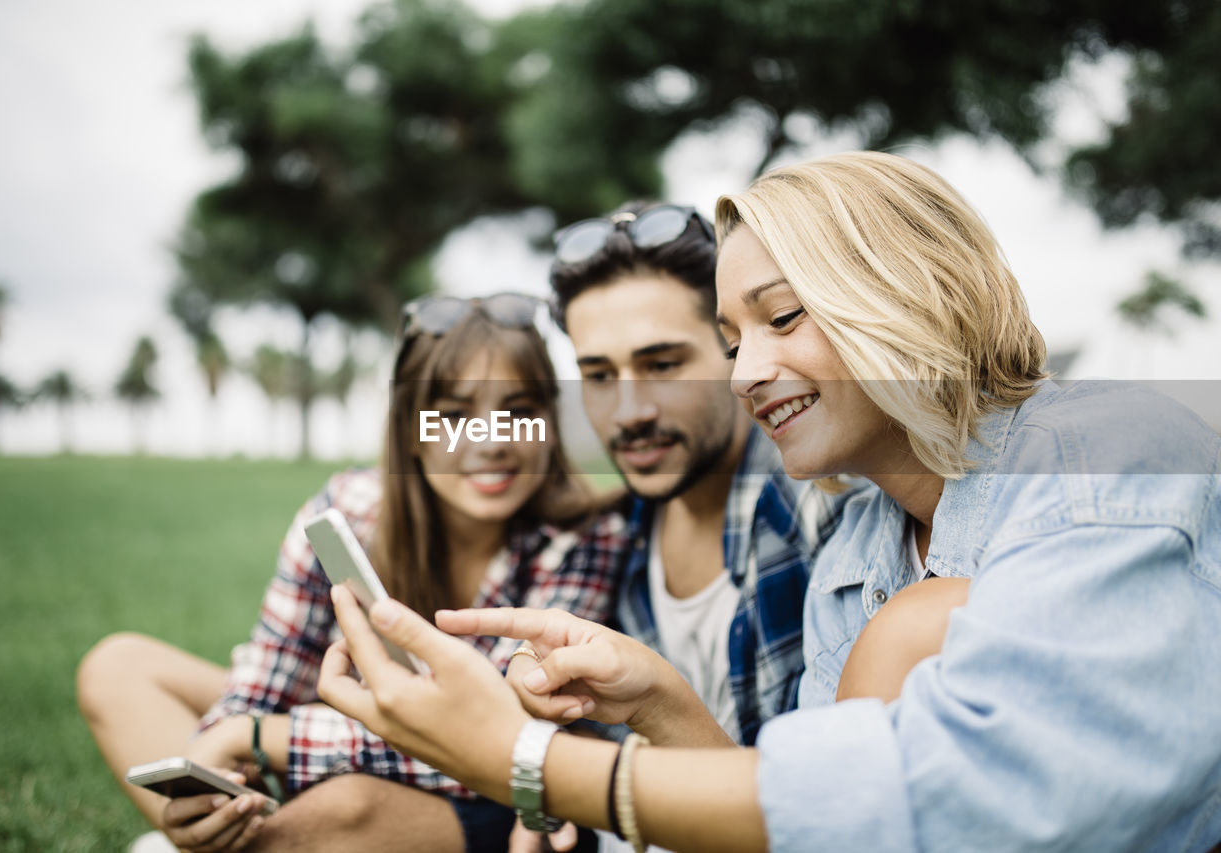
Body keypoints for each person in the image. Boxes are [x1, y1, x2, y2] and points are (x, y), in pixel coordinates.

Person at [316, 152, 1221, 852]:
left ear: (904, 294)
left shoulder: (1110, 457)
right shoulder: (861, 547)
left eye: (782, 319)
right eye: (731, 338)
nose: (747, 374)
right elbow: (814, 825)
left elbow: (962, 798)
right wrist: (660, 700)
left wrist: (532, 764)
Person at [76, 294, 631, 853]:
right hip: (353, 748)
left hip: (505, 802)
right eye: (456, 416)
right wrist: (222, 771)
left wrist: (266, 738)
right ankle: (218, 833)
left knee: (344, 809)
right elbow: (272, 669)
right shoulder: (347, 508)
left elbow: (495, 740)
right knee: (118, 667)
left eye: (519, 412)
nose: (490, 441)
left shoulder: (586, 539)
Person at [506, 203, 852, 852]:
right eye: (599, 375)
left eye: (663, 365)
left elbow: (823, 818)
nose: (630, 410)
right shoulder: (617, 533)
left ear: (733, 349)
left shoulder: (819, 504)